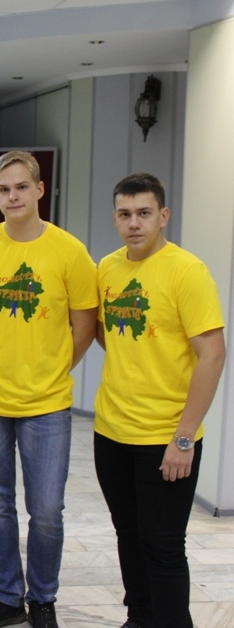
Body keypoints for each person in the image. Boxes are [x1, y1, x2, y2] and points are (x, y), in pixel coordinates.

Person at [0, 151, 98, 628]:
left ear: (39, 190)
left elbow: (84, 327)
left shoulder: (70, 252)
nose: (12, 196)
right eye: (3, 189)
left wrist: (50, 367)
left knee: (47, 510)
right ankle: (6, 597)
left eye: (21, 187)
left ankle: (42, 599)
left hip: (47, 403)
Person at [94, 173, 225, 628]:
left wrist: (184, 438)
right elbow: (107, 334)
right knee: (128, 535)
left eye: (144, 213)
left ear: (163, 215)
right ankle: (140, 618)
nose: (134, 223)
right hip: (111, 432)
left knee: (163, 544)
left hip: (166, 438)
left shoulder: (187, 271)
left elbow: (213, 354)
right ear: (115, 218)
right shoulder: (108, 268)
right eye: (125, 214)